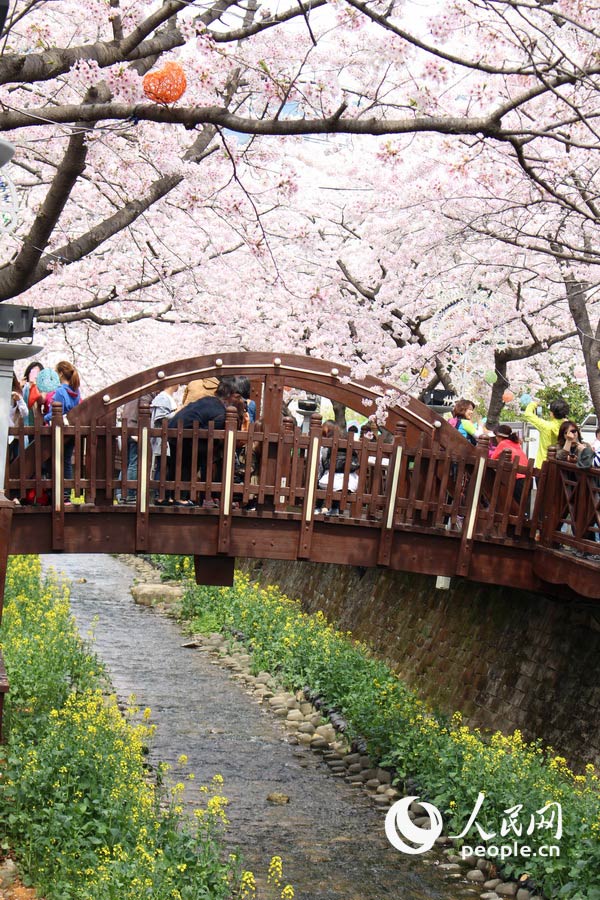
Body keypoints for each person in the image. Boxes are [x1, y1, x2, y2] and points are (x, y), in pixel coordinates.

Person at [167, 377, 244, 506]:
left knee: (176, 465)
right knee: (188, 465)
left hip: (174, 429)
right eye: (237, 396)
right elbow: (209, 435)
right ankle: (181, 498)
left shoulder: (209, 400)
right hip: (187, 435)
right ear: (230, 396)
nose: (239, 400)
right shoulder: (221, 413)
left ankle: (169, 497)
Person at [44, 361, 81, 504]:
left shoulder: (60, 391)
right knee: (66, 461)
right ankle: (66, 495)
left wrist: (44, 417)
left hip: (59, 431)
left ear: (60, 373)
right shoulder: (76, 392)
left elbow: (56, 412)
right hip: (71, 431)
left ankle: (55, 493)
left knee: (54, 461)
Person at [118, 392, 156, 503]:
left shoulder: (134, 392)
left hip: (126, 427)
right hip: (136, 429)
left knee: (126, 463)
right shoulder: (147, 393)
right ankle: (130, 494)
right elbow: (144, 409)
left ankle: (120, 494)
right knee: (134, 463)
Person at [521, 397, 569, 468]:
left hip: (543, 465)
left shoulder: (545, 426)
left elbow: (528, 414)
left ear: (552, 413)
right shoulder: (568, 426)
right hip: (560, 466)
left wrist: (534, 404)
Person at [150, 384, 179, 502]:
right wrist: (178, 412)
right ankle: (160, 496)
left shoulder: (167, 397)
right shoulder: (163, 397)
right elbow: (160, 418)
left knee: (165, 466)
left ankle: (164, 495)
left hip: (167, 439)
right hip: (162, 439)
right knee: (162, 466)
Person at [491, 424, 529, 502]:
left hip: (517, 479)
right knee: (523, 505)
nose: (495, 438)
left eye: (496, 436)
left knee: (514, 505)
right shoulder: (516, 443)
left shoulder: (503, 443)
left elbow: (492, 459)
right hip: (527, 478)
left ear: (500, 436)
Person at [8, 374, 28, 463]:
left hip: (13, 435)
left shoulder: (16, 393)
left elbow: (25, 413)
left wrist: (19, 400)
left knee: (14, 463)